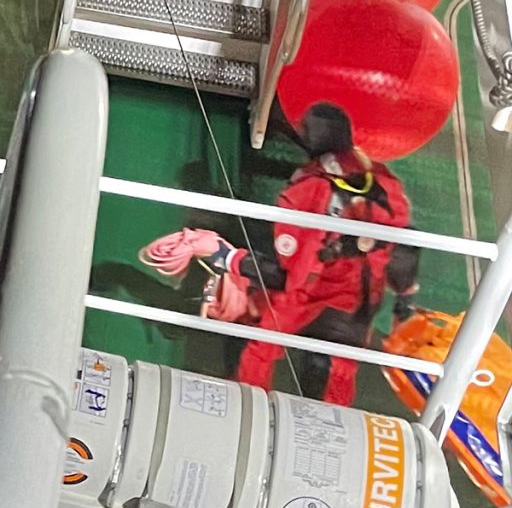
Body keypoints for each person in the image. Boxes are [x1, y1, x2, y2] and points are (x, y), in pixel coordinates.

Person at [142, 105, 419, 406]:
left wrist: (224, 255)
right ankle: (330, 433)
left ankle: (244, 410)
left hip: (311, 295)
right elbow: (404, 248)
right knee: (339, 375)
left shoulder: (307, 193)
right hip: (363, 300)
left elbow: (288, 278)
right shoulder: (385, 181)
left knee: (258, 348)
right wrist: (404, 299)